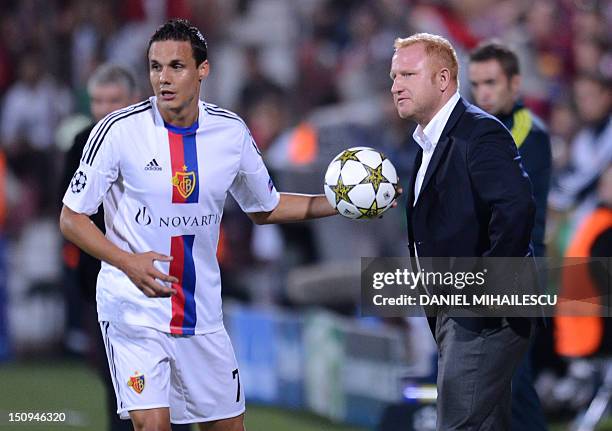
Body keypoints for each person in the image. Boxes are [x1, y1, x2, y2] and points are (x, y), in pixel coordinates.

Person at [59, 19, 338, 431]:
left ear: (202, 70)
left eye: (176, 66)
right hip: (133, 309)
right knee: (152, 425)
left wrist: (338, 203)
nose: (163, 79)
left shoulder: (230, 132)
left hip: (201, 315)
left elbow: (266, 207)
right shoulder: (118, 131)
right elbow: (71, 217)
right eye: (155, 67)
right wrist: (127, 262)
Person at [390, 33, 535, 430]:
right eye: (393, 76)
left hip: (482, 314)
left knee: (458, 424)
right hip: (455, 309)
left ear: (442, 80)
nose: (396, 85)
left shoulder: (478, 132)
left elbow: (516, 207)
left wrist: (487, 289)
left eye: (407, 74)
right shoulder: (427, 142)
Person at [468, 41, 551, 431]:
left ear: (514, 84)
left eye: (491, 83)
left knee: (514, 385)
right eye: (476, 85)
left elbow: (510, 210)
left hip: (517, 270)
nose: (482, 93)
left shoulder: (528, 135)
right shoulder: (479, 133)